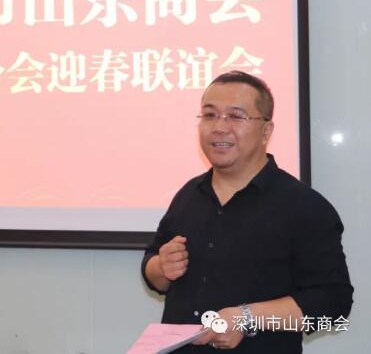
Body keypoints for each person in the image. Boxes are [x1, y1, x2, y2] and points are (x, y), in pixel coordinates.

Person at [141, 71, 353, 353]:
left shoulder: (305, 207)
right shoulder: (188, 195)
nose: (219, 127)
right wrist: (161, 267)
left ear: (266, 131)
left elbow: (333, 305)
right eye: (210, 115)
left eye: (235, 116)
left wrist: (247, 318)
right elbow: (153, 268)